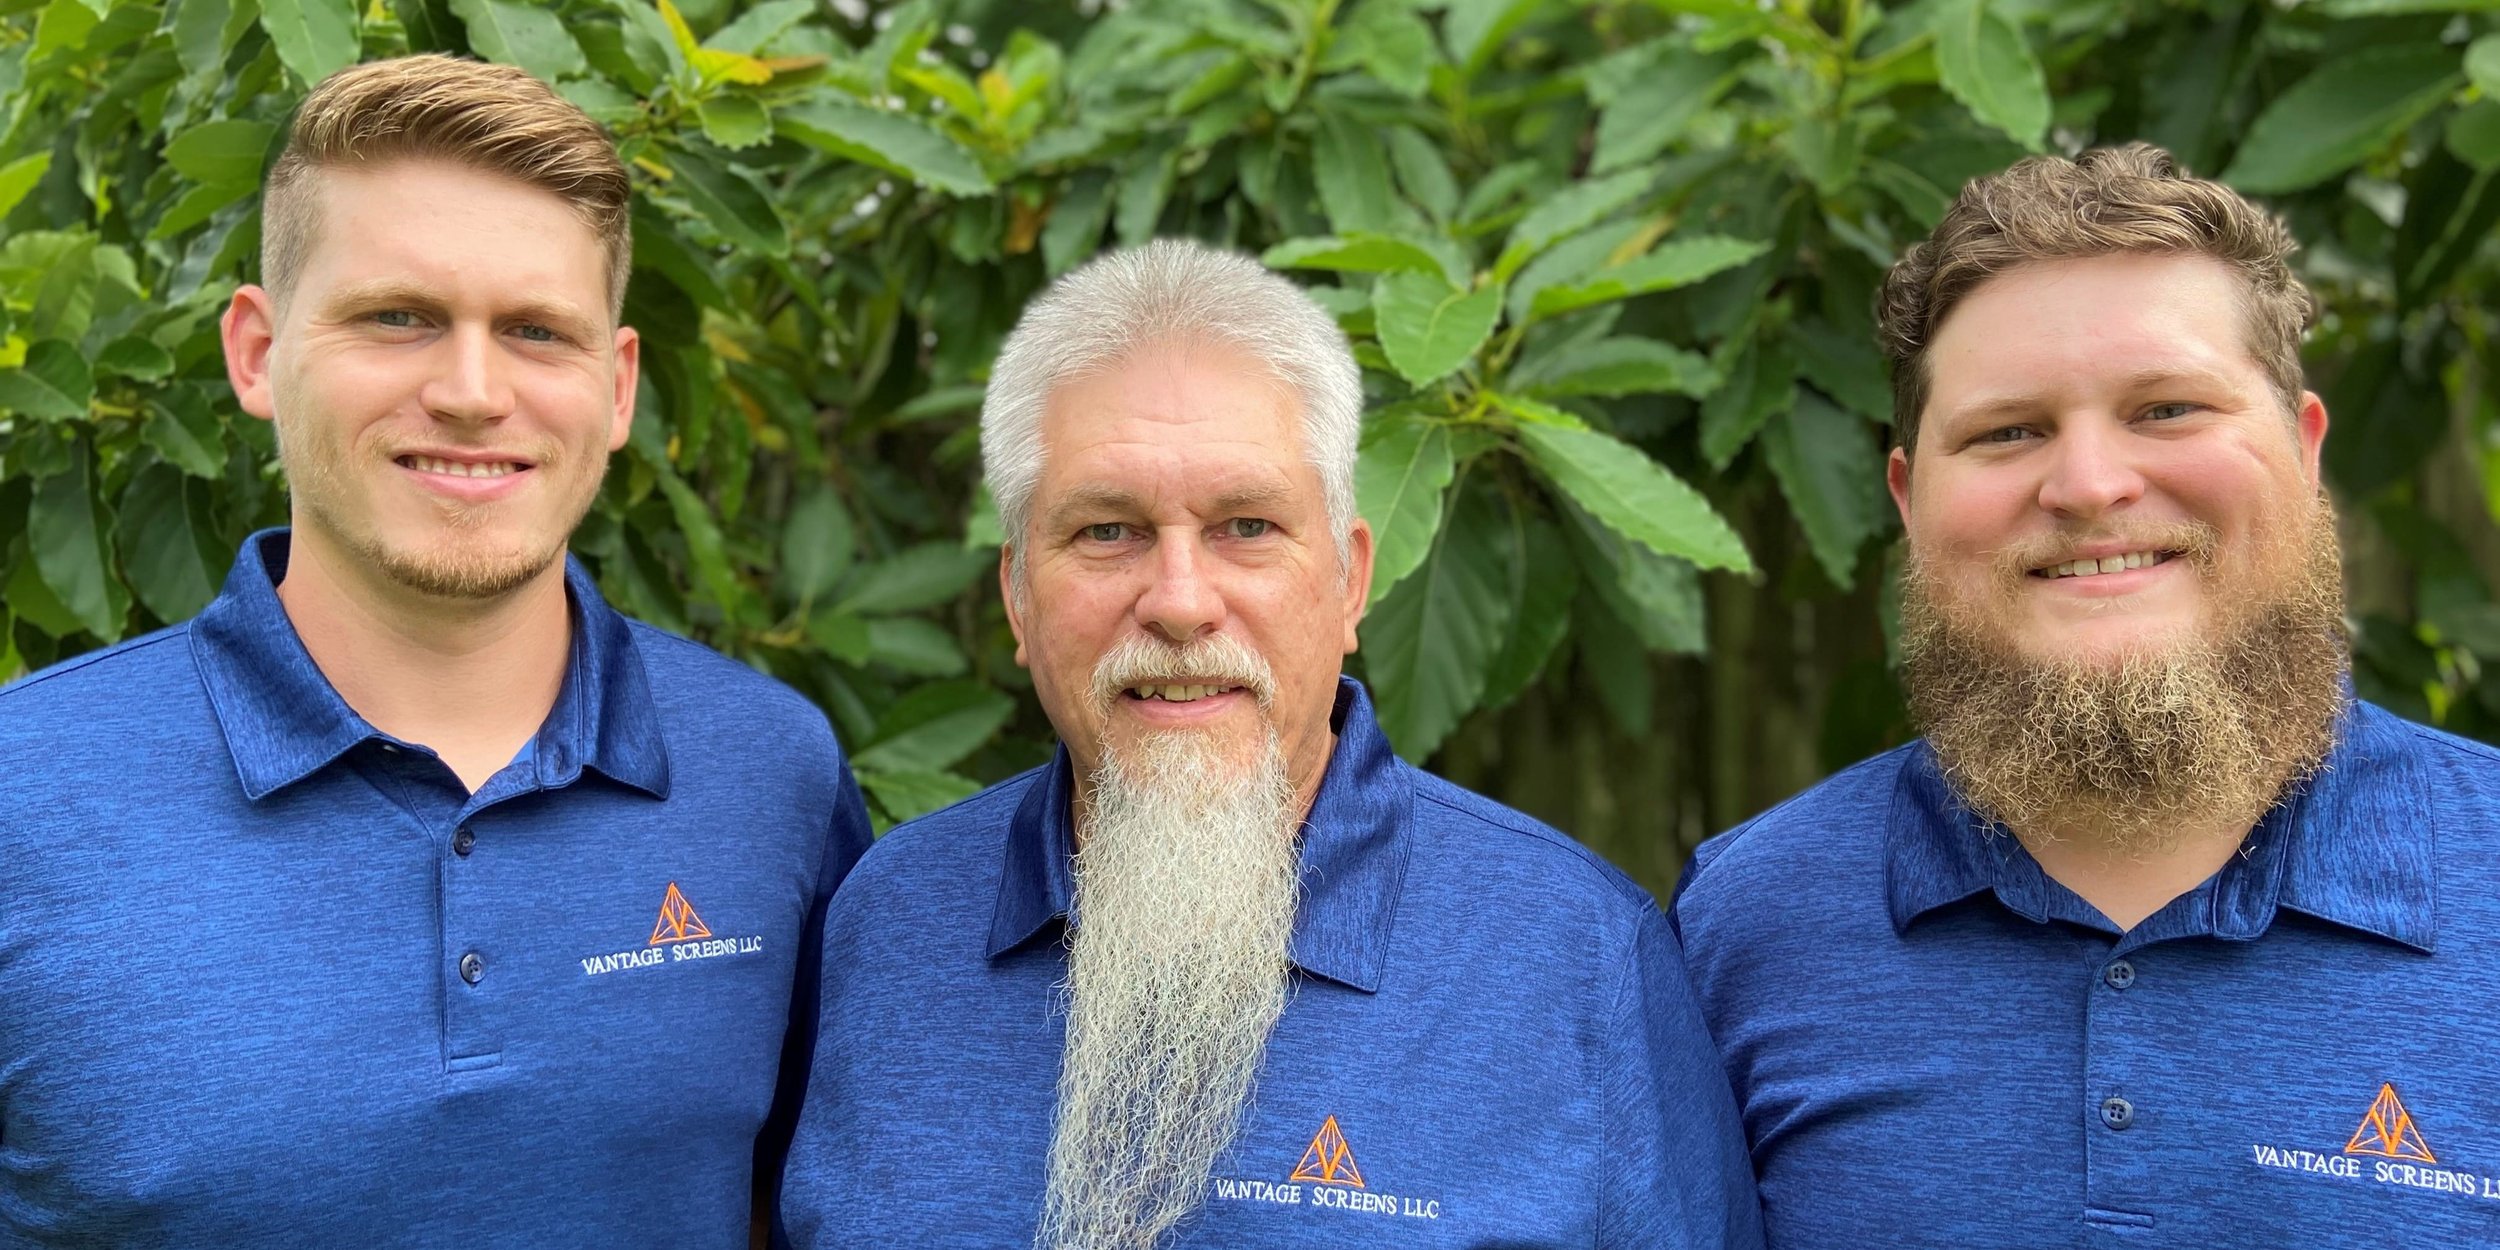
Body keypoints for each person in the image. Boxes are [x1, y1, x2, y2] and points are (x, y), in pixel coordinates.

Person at [0, 56, 869, 1246]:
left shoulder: (771, 773)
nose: (471, 390)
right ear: (256, 352)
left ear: (615, 388)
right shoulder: (24, 794)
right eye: (397, 317)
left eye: (534, 330)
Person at [777, 239, 1762, 1249]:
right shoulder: (886, 924)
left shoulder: (1576, 956)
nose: (1180, 601)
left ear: (1348, 581)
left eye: (1246, 524)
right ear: (1017, 596)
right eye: (1107, 530)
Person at [1672, 143, 2500, 1246]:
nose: (2090, 485)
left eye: (2166, 408)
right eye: (2007, 431)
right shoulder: (1739, 923)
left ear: (2304, 452)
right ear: (1909, 499)